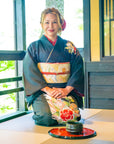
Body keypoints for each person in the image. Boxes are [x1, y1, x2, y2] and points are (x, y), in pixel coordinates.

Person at [23, 7, 84, 126]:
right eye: (47, 22)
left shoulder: (69, 46)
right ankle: (40, 110)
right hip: (43, 91)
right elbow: (30, 71)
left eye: (54, 22)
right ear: (41, 24)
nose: (50, 26)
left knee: (73, 117)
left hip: (64, 90)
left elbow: (78, 68)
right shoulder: (34, 47)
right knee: (46, 118)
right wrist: (48, 90)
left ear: (60, 24)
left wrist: (66, 90)